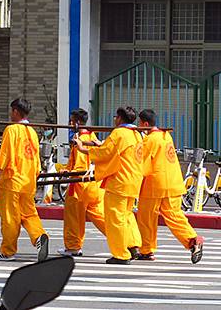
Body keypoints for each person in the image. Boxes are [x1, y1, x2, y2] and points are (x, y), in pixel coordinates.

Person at [75, 106, 143, 265]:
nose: (114, 120)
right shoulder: (137, 134)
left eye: (115, 117)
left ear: (119, 118)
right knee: (127, 216)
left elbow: (105, 153)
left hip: (119, 181)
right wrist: (100, 145)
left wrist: (83, 149)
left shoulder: (119, 133)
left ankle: (121, 254)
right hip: (133, 180)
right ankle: (133, 246)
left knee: (115, 219)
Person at [136, 109, 204, 264]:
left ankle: (146, 250)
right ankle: (193, 240)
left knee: (146, 218)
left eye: (139, 123)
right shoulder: (166, 136)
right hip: (173, 182)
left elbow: (142, 162)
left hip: (155, 184)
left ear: (145, 124)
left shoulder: (149, 140)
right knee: (174, 216)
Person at [0, 98, 49, 262]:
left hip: (12, 180)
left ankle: (7, 251)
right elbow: (37, 160)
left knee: (10, 218)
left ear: (15, 111)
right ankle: (39, 237)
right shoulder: (32, 132)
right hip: (28, 181)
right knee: (29, 214)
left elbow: (5, 154)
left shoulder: (11, 130)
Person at [58, 108, 106, 257]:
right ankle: (126, 240)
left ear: (77, 122)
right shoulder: (92, 135)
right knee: (101, 217)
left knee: (74, 218)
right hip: (94, 184)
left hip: (79, 184)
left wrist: (68, 172)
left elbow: (79, 165)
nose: (70, 124)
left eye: (71, 121)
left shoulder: (79, 139)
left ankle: (73, 246)